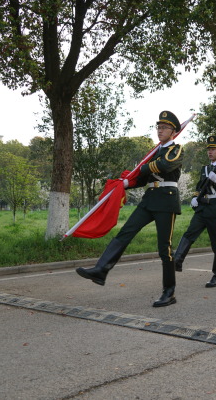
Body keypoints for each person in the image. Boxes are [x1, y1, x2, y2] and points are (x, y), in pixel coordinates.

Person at [76, 111, 183, 307]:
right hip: (150, 199)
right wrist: (126, 183)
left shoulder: (176, 150)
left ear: (173, 131)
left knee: (164, 248)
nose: (160, 131)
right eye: (158, 127)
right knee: (125, 232)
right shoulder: (153, 152)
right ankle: (101, 270)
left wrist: (142, 167)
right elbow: (142, 178)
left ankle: (169, 292)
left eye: (165, 128)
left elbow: (165, 165)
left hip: (166, 200)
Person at [173, 136, 216, 288]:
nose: (210, 152)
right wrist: (195, 197)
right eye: (208, 149)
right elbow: (199, 187)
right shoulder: (205, 169)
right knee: (189, 233)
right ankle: (177, 261)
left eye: (213, 149)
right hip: (202, 207)